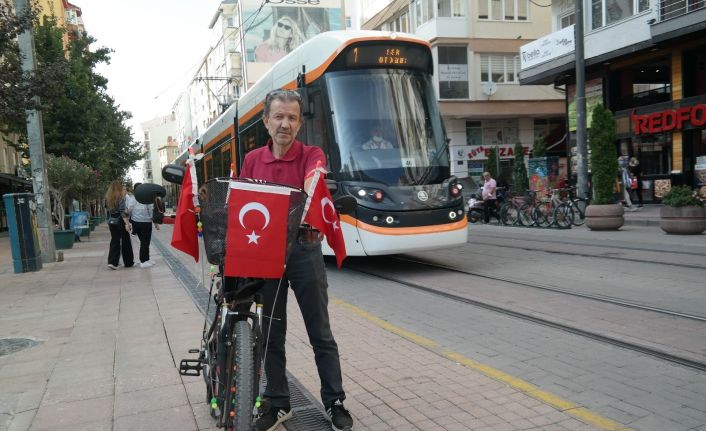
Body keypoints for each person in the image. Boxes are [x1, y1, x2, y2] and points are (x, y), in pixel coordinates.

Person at [239, 89, 353, 431]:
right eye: (278, 117)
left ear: (300, 124)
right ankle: (278, 403)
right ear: (266, 122)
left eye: (292, 118)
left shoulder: (311, 154)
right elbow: (242, 201)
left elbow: (314, 177)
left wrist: (311, 185)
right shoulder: (252, 160)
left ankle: (334, 401)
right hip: (267, 253)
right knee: (271, 333)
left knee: (320, 331)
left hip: (304, 250)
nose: (285, 124)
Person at [128, 183, 159, 268]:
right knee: (145, 242)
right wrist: (155, 223)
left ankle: (147, 259)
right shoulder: (146, 198)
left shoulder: (132, 198)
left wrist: (130, 220)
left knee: (144, 242)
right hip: (145, 222)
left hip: (136, 222)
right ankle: (143, 261)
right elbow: (151, 210)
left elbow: (129, 210)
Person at [105, 181, 134, 270]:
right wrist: (127, 223)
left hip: (111, 221)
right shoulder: (120, 197)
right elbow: (122, 212)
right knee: (126, 240)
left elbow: (107, 209)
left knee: (114, 240)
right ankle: (128, 262)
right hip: (120, 221)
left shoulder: (107, 198)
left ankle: (112, 262)